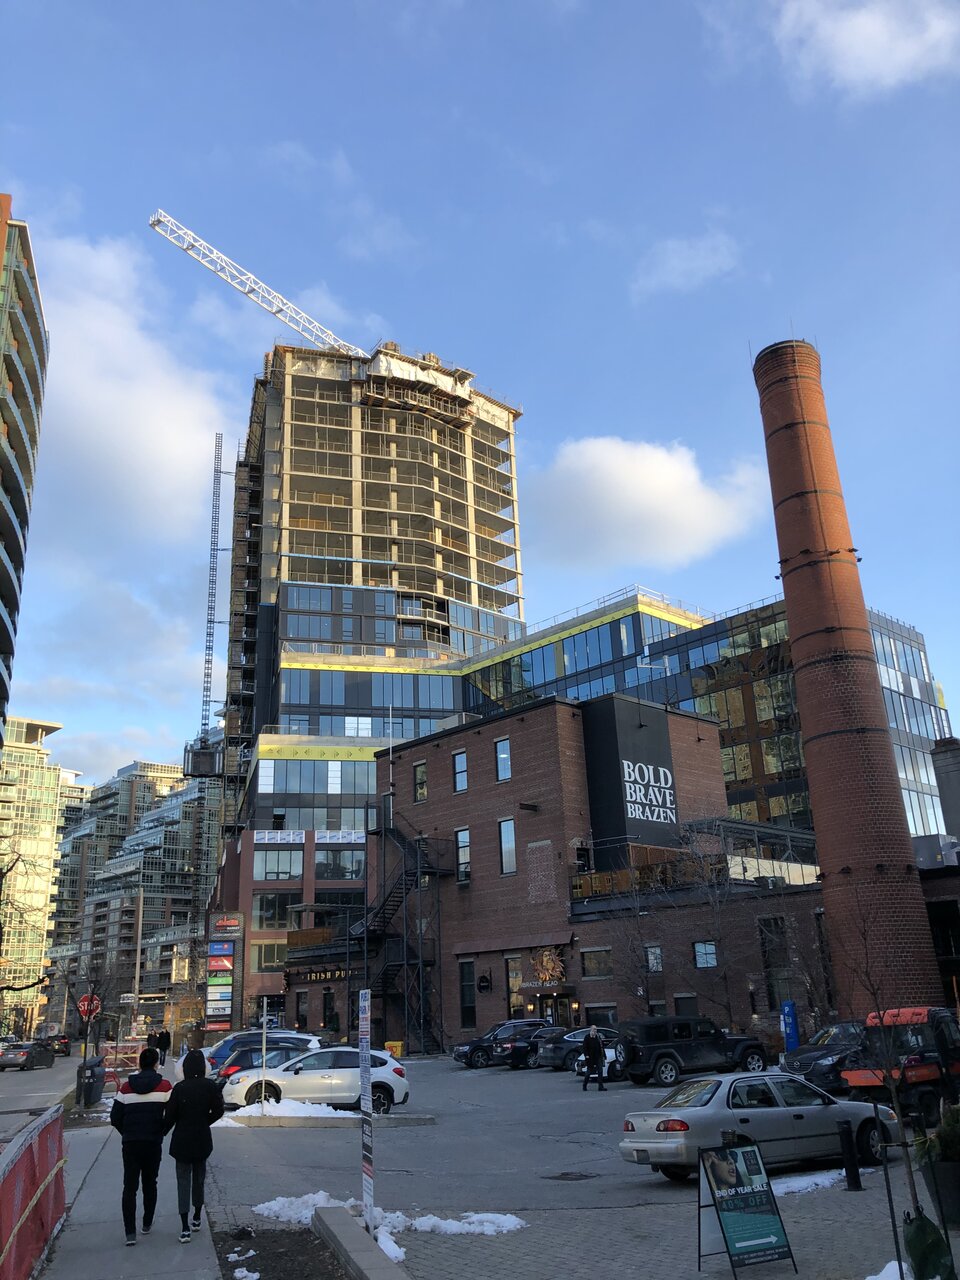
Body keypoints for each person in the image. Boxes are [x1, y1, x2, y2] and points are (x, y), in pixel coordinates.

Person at [110, 1046, 172, 1245]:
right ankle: (147, 1222)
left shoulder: (126, 1088)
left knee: (129, 1186)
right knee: (150, 1183)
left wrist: (126, 1132)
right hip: (153, 1141)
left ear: (139, 1064)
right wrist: (162, 1130)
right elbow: (172, 1113)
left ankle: (130, 1232)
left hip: (131, 1142)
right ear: (156, 1064)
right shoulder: (164, 1087)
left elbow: (115, 1117)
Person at [163, 1048, 224, 1243]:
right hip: (202, 1138)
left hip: (182, 1139)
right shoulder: (210, 1086)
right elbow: (219, 1110)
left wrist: (160, 1132)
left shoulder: (180, 1089)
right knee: (199, 1178)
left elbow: (170, 1116)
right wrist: (205, 1120)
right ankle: (197, 1215)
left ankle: (184, 1226)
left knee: (183, 1181)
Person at [582, 1025, 606, 1092]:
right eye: (594, 1030)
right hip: (590, 1057)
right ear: (591, 1030)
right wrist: (586, 1055)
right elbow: (584, 1047)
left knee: (600, 1071)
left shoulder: (598, 1037)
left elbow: (601, 1046)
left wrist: (604, 1055)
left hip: (598, 1056)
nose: (595, 1031)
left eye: (596, 1030)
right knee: (589, 1072)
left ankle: (600, 1086)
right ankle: (584, 1085)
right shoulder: (587, 1037)